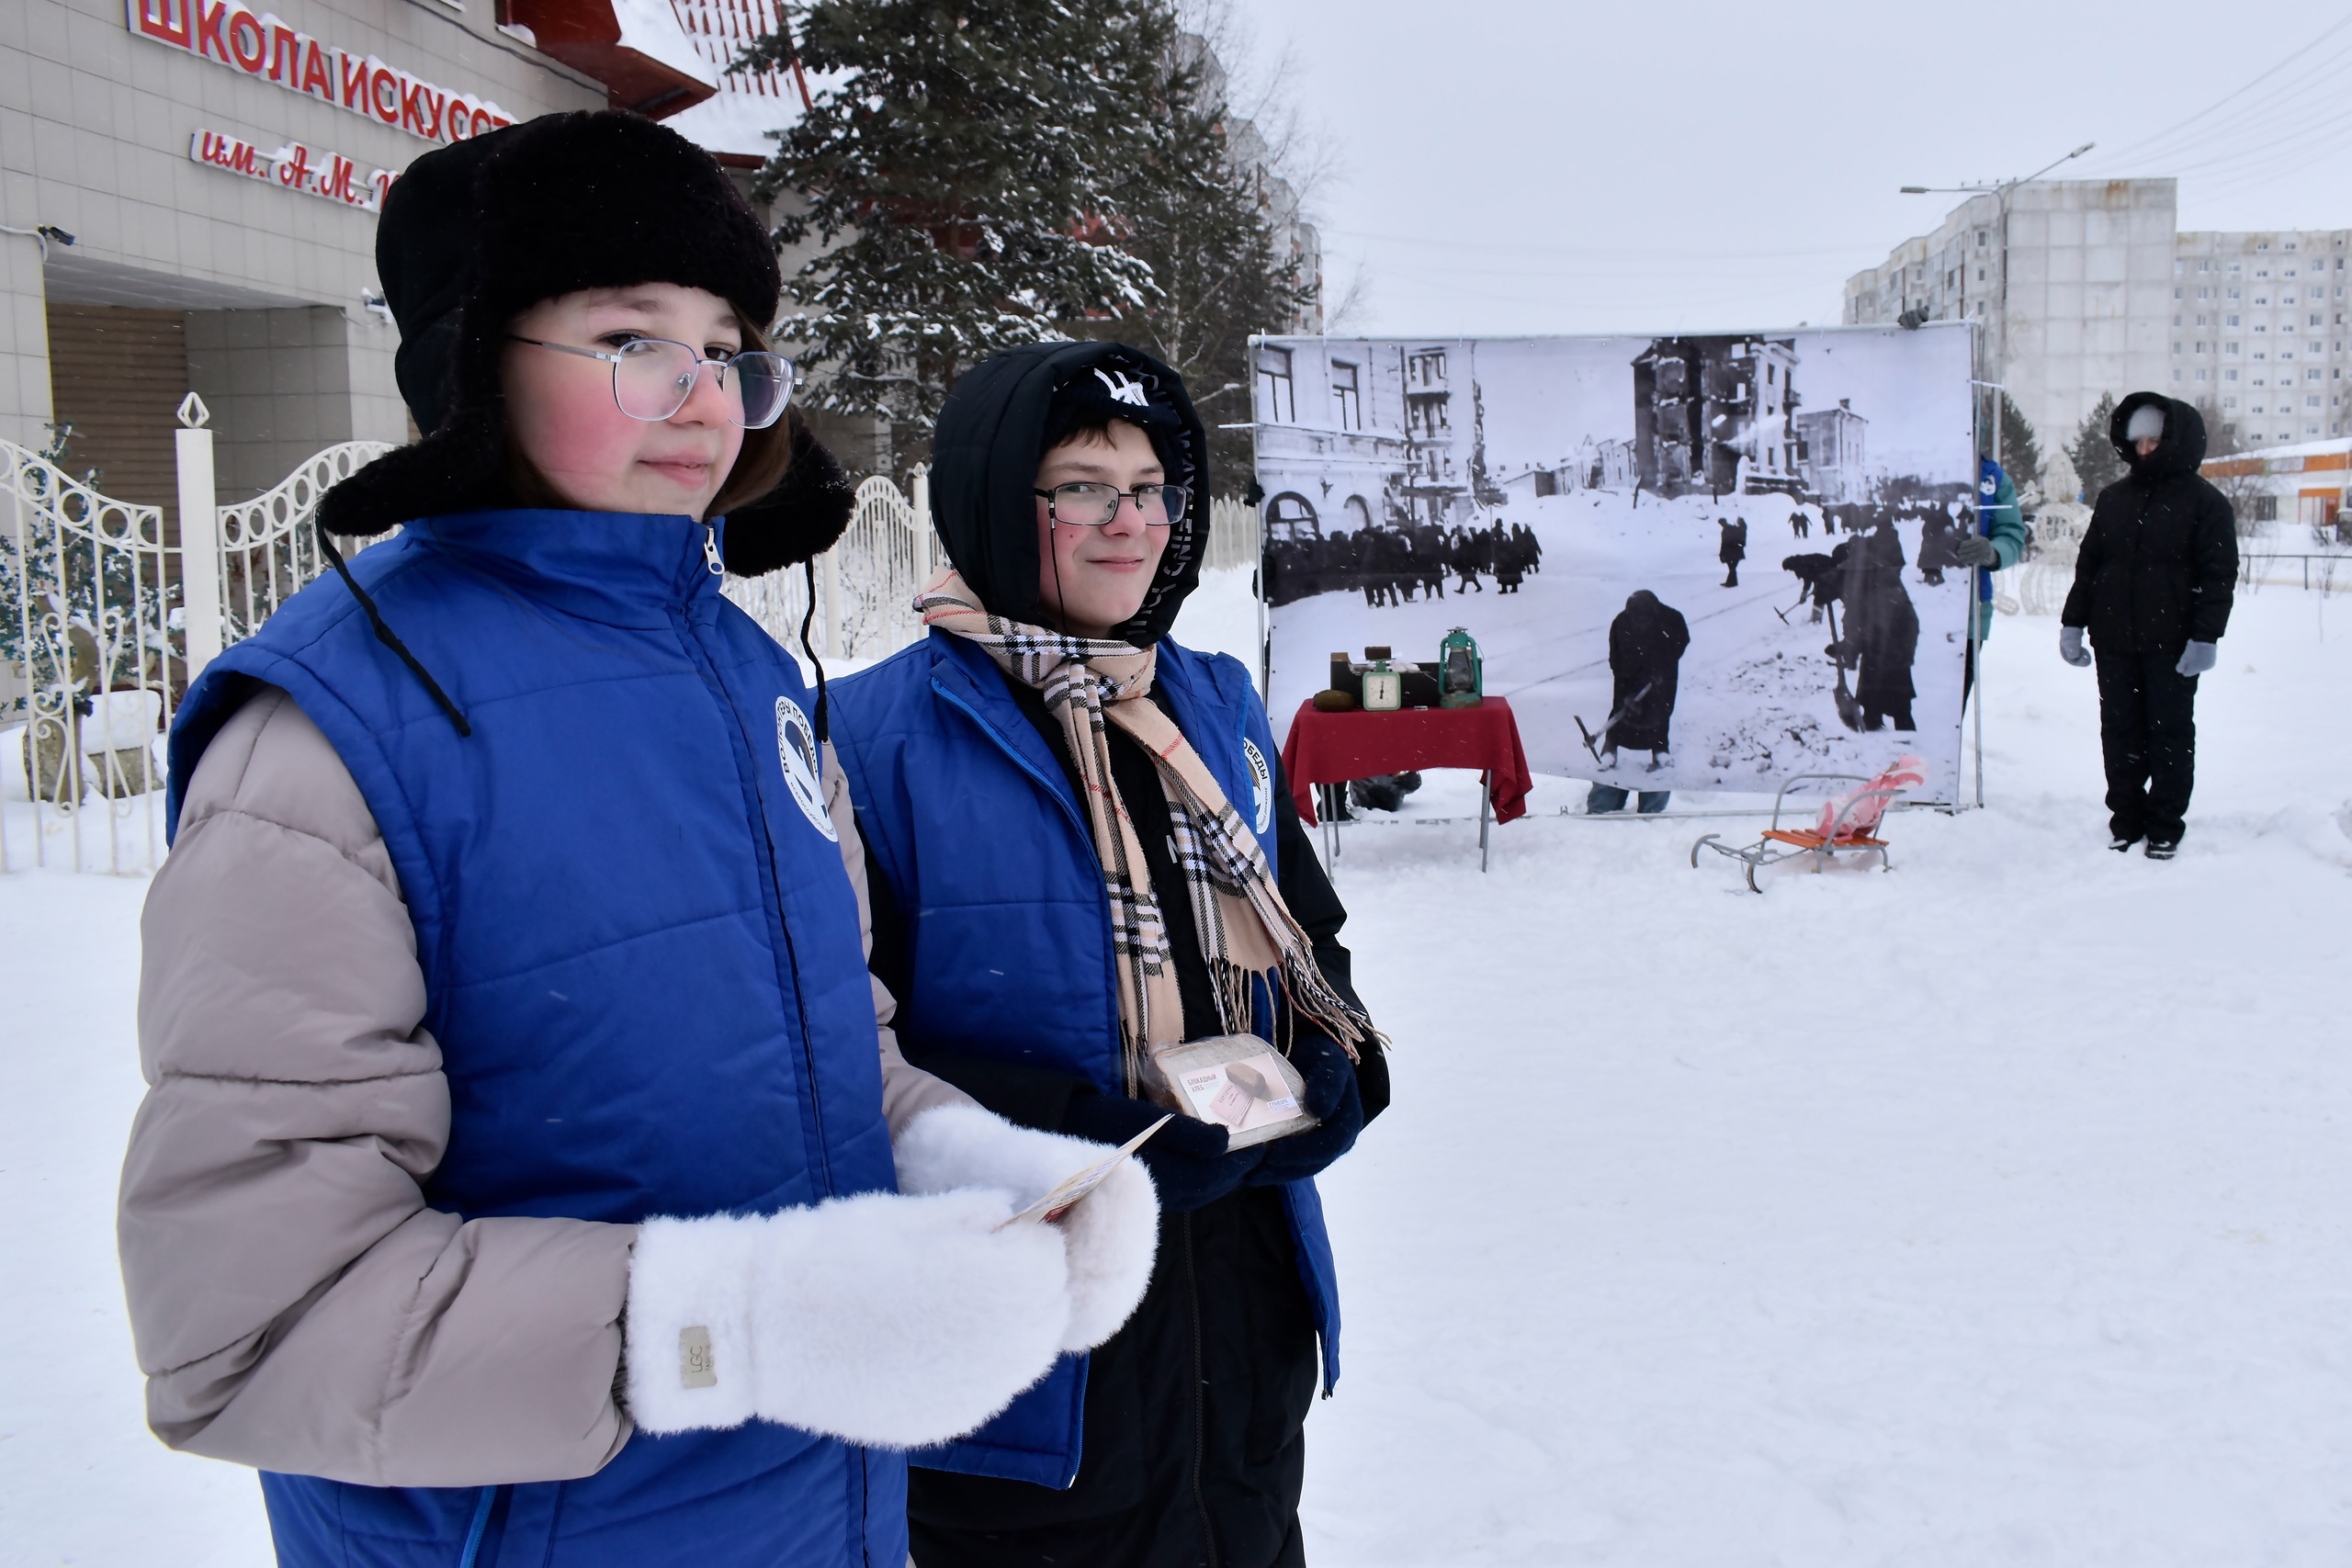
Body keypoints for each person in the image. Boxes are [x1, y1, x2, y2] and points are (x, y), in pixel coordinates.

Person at [116, 113, 1159, 1566]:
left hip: (809, 1520)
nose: (701, 394)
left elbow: (823, 1045)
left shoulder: (747, 684)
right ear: (477, 360)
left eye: (728, 347)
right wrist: (736, 1319)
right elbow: (255, 1322)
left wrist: (970, 1164)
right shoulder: (329, 737)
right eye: (630, 337)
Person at [831, 341, 1389, 1568]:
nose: (1129, 520)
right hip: (1035, 1350)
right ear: (991, 495)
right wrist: (1085, 1135)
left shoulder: (1214, 701)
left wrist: (1339, 1063)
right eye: (1083, 483)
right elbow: (839, 1048)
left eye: (1151, 486)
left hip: (1243, 1306)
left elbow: (1307, 928)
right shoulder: (869, 738)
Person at [2059, 392, 2237, 858]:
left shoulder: (2206, 504)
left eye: (2154, 441)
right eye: (2137, 442)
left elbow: (2218, 576)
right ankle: (2127, 819)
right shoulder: (2114, 498)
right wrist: (2073, 624)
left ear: (2177, 439)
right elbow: (2090, 567)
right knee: (2119, 732)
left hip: (2173, 646)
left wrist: (2205, 636)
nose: (2143, 451)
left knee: (2170, 735)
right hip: (2114, 640)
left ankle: (2164, 825)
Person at [1591, 589, 1690, 811]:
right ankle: (1610, 748)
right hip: (1629, 673)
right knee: (1621, 711)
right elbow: (1615, 654)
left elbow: (1682, 641)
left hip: (1662, 675)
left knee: (1660, 712)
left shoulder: (1672, 618)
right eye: (1637, 619)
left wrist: (1663, 667)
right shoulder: (1621, 622)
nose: (1640, 622)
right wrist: (1625, 687)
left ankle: (1660, 750)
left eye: (1644, 619)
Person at [1951, 455, 2032, 701]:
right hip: (1888, 609)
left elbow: (2011, 536)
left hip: (1968, 616)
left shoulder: (1992, 477)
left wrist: (1992, 552)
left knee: (1948, 715)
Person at [1719, 515, 1747, 586]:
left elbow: (1724, 543)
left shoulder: (1728, 529)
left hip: (1731, 552)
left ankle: (1731, 583)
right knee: (1732, 568)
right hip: (1736, 551)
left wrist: (1722, 553)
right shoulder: (1732, 528)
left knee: (1732, 568)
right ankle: (1732, 582)